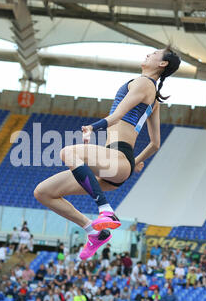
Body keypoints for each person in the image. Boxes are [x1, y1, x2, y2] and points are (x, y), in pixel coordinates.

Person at [34, 47, 181, 261]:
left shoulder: (143, 83)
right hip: (117, 164)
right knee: (43, 192)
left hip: (118, 158)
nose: (150, 53)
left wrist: (94, 127)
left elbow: (119, 114)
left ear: (163, 64)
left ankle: (105, 210)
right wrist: (135, 163)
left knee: (67, 152)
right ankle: (94, 232)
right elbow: (155, 144)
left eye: (156, 53)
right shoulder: (154, 98)